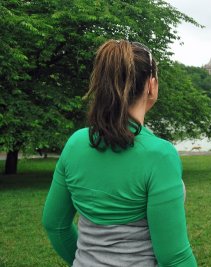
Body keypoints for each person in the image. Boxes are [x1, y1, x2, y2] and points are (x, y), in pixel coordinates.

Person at [42, 40, 197, 267]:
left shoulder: (76, 143)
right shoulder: (160, 155)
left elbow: (55, 225)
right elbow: (174, 258)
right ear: (151, 85)